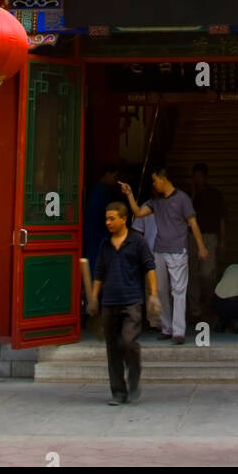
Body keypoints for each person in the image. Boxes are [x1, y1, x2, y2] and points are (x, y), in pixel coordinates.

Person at [118, 168, 208, 343]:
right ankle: (167, 327)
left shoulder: (183, 198)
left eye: (155, 181)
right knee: (160, 290)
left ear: (163, 179)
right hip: (159, 250)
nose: (153, 184)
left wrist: (201, 247)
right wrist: (129, 194)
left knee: (179, 290)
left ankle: (179, 331)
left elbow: (193, 223)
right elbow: (137, 213)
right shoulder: (155, 202)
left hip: (177, 250)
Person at [90, 202, 160, 404]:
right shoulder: (105, 245)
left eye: (112, 218)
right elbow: (99, 273)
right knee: (112, 348)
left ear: (124, 219)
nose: (108, 222)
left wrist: (153, 295)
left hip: (132, 301)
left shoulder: (137, 242)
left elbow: (150, 267)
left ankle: (134, 376)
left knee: (128, 341)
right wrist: (94, 297)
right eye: (106, 219)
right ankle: (118, 392)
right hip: (109, 302)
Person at [188, 162, 225, 323]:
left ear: (206, 177)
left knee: (208, 274)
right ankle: (195, 311)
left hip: (210, 236)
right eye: (195, 177)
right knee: (192, 274)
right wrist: (193, 193)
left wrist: (223, 240)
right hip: (191, 237)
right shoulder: (190, 196)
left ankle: (209, 306)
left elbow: (222, 218)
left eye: (200, 177)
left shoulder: (215, 194)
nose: (198, 180)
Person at [212, 261, 238, 333]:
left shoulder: (230, 267)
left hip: (216, 301)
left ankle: (223, 321)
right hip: (236, 304)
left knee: (229, 300)